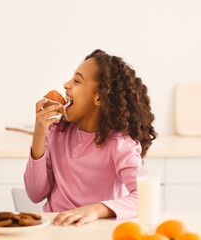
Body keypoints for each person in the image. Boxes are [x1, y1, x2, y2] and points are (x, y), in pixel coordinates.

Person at [24, 49, 157, 226]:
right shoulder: (57, 133)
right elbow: (35, 194)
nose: (66, 84)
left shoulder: (119, 144)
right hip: (55, 231)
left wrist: (96, 209)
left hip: (96, 232)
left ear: (99, 98)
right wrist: (39, 136)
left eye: (77, 81)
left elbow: (144, 197)